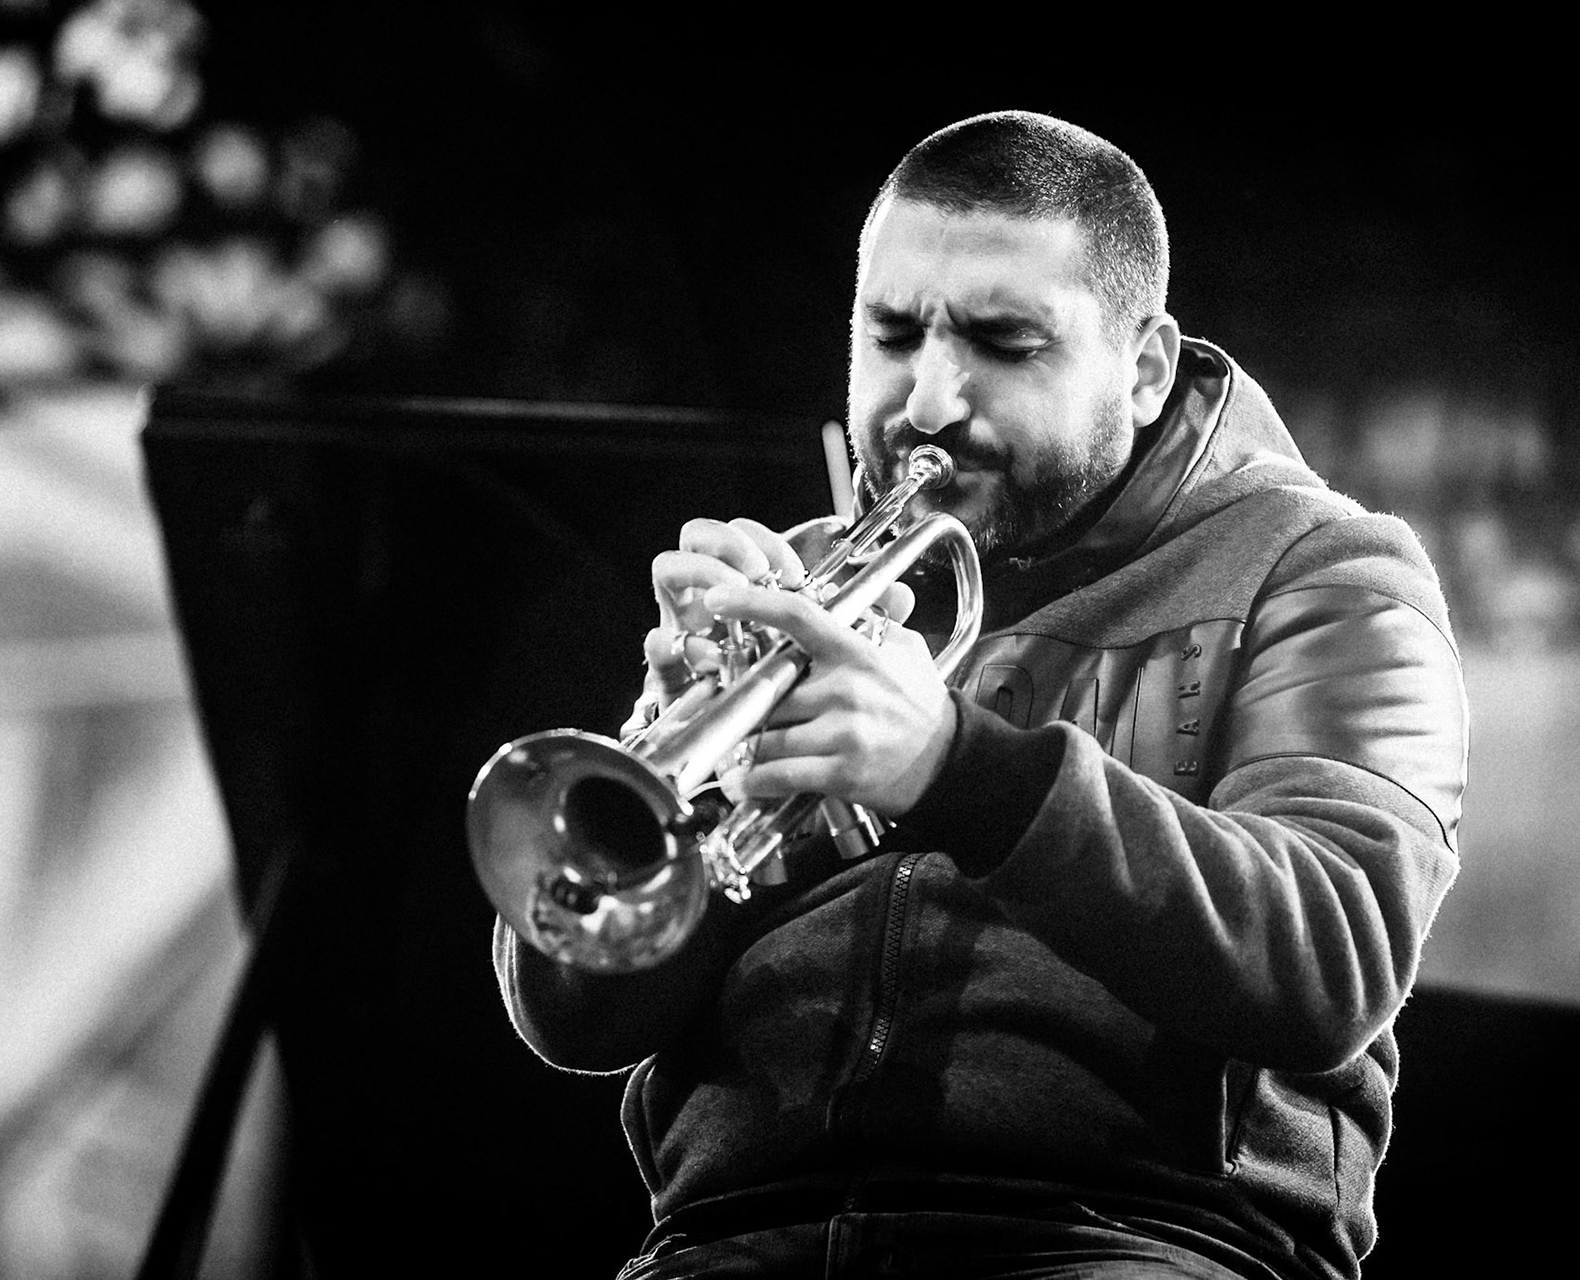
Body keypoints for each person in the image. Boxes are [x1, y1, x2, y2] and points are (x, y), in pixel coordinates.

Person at [488, 110, 1468, 1280]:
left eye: (1005, 343)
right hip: (729, 1242)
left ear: (1145, 367)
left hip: (1131, 1240)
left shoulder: (1319, 567)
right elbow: (569, 1017)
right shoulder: (795, 583)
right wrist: (673, 779)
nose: (932, 400)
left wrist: (954, 766)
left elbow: (1331, 954)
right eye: (894, 334)